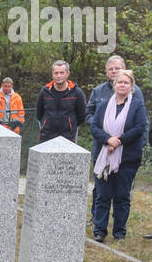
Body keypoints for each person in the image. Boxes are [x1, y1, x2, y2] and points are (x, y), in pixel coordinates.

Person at [90, 70, 148, 242]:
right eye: (120, 82)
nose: (122, 85)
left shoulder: (137, 105)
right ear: (115, 85)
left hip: (127, 158)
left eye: (126, 83)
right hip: (105, 156)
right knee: (103, 195)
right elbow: (94, 127)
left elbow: (139, 127)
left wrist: (119, 141)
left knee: (122, 196)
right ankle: (100, 230)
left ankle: (119, 232)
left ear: (131, 86)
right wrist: (108, 139)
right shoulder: (103, 105)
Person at [35, 61, 86, 143]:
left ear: (68, 74)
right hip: (46, 137)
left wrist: (69, 125)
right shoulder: (44, 91)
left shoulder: (77, 93)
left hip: (68, 138)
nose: (59, 76)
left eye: (62, 73)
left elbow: (81, 116)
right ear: (52, 74)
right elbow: (39, 113)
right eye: (56, 73)